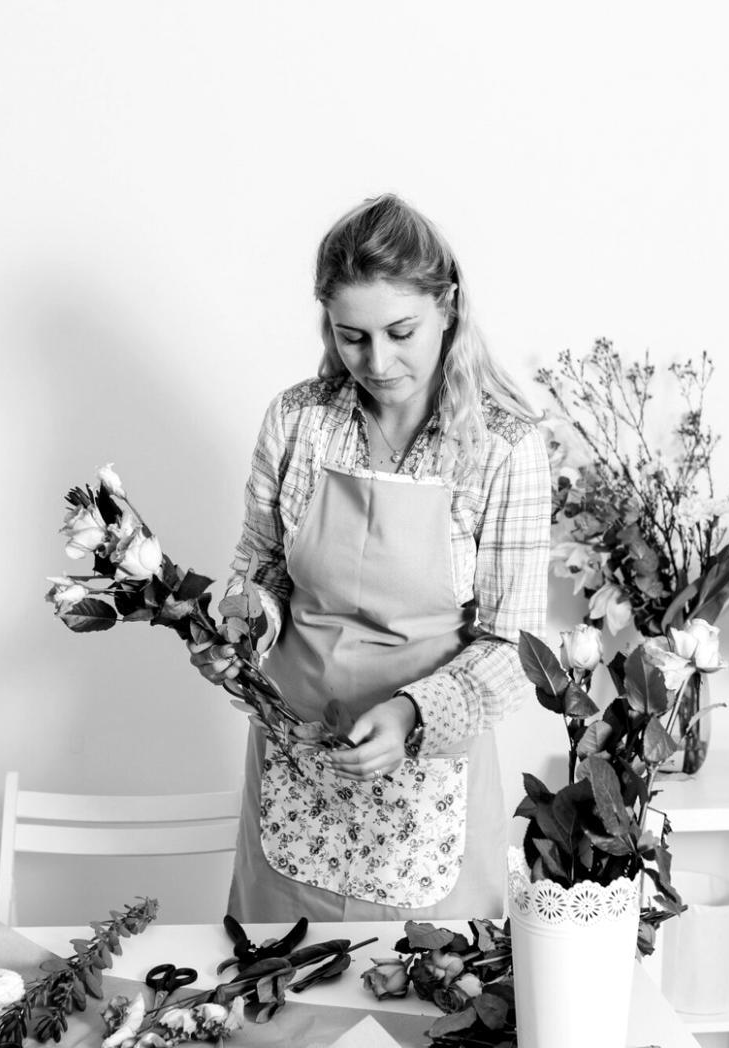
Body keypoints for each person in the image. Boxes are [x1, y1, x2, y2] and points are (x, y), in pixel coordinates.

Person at [190, 194, 550, 922]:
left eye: (400, 332)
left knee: (431, 1003)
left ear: (447, 307)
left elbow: (515, 645)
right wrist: (236, 625)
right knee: (280, 1004)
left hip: (427, 774)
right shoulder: (299, 420)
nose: (377, 361)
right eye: (351, 336)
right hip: (297, 753)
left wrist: (410, 714)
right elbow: (260, 568)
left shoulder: (503, 446)